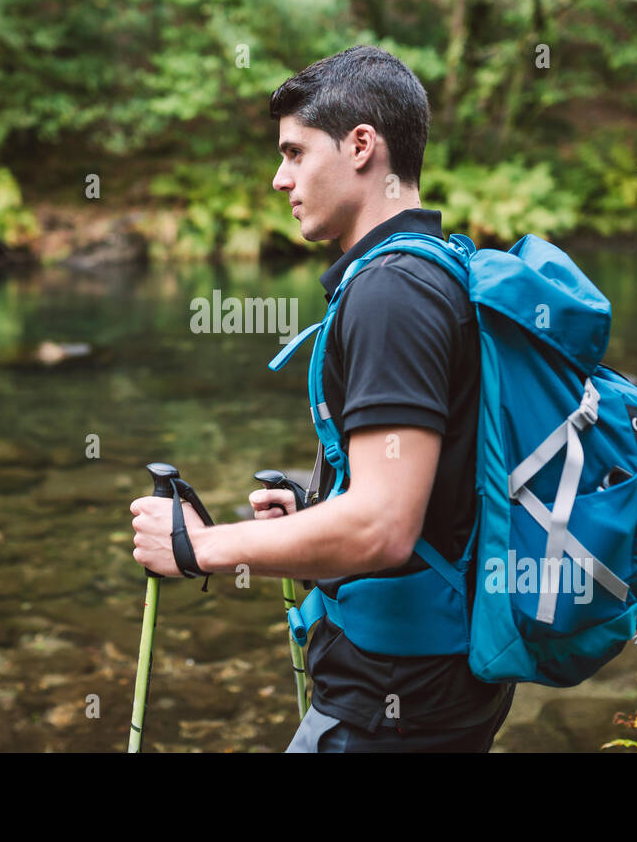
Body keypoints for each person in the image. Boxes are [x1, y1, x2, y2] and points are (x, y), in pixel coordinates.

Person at [131, 44, 515, 752]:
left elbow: (382, 527)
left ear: (361, 145)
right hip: (437, 685)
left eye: (295, 153)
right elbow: (432, 501)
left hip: (392, 703)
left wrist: (199, 545)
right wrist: (313, 523)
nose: (280, 179)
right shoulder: (435, 271)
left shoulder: (392, 292)